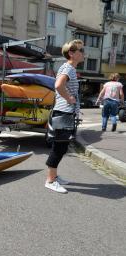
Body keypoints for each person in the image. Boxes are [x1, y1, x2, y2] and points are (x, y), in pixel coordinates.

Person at [45, 39, 84, 193]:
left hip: (65, 112)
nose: (83, 53)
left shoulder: (69, 68)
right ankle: (50, 180)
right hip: (63, 113)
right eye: (81, 50)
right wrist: (69, 99)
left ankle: (54, 176)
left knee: (61, 146)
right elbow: (58, 85)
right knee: (59, 147)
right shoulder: (68, 68)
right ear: (71, 53)